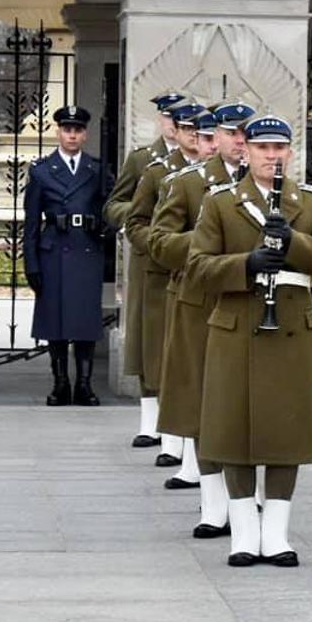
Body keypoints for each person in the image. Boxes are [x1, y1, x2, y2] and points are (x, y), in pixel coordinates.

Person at [187, 115, 312, 567]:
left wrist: (293, 241)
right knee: (232, 428)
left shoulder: (310, 202)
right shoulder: (221, 202)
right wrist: (246, 264)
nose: (271, 157)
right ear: (247, 150)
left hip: (291, 325)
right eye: (262, 148)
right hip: (237, 323)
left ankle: (276, 533)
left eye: (279, 149)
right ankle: (243, 532)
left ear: (290, 152)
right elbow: (197, 268)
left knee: (286, 430)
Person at [146, 103, 250, 529]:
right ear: (215, 137)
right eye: (230, 133)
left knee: (248, 404)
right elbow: (159, 243)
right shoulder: (187, 183)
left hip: (251, 303)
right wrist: (211, 240)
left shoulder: (273, 187)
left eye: (245, 135)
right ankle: (213, 505)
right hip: (201, 302)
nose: (239, 142)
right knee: (204, 405)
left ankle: (252, 499)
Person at [133, 100, 216, 483]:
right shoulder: (163, 173)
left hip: (224, 285)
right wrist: (163, 248)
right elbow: (138, 221)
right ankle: (175, 447)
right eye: (201, 135)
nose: (205, 142)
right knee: (174, 364)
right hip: (175, 278)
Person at [110, 90, 185, 447]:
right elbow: (115, 205)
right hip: (149, 260)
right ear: (161, 120)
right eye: (169, 117)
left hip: (184, 257)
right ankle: (149, 421)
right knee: (148, 340)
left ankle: (177, 425)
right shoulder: (142, 160)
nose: (173, 125)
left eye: (181, 120)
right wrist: (147, 217)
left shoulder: (201, 160)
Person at [23, 105, 112, 406]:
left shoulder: (97, 169)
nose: (72, 135)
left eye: (77, 130)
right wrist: (31, 263)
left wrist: (106, 228)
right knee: (56, 321)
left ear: (85, 134)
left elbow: (113, 208)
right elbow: (31, 224)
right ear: (58, 132)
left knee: (85, 321)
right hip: (54, 252)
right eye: (67, 129)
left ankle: (84, 384)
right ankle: (60, 383)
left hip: (87, 249)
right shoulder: (41, 170)